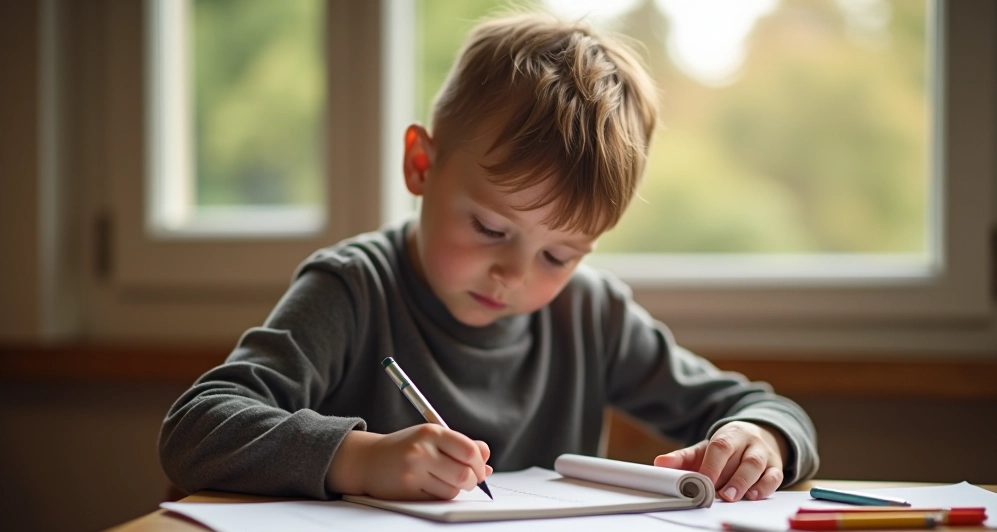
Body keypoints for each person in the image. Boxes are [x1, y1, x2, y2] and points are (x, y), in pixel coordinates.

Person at [159, 12, 819, 503]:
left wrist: (762, 441)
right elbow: (196, 429)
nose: (517, 275)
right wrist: (356, 460)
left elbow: (758, 406)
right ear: (422, 164)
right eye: (489, 226)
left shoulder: (591, 314)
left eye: (560, 254)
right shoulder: (354, 291)